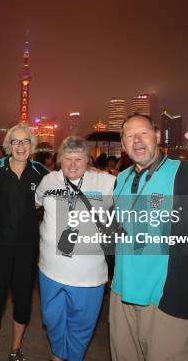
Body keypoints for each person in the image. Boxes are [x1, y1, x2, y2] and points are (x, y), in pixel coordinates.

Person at [110, 114, 188, 361]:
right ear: (123, 145)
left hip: (166, 299)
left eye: (143, 133)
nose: (137, 140)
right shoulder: (121, 179)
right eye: (129, 136)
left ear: (156, 136)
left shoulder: (181, 173)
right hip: (121, 294)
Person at [35, 136, 115, 361]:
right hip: (50, 270)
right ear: (60, 159)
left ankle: (64, 358)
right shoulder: (49, 180)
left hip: (89, 275)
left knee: (81, 326)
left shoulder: (105, 182)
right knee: (51, 319)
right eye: (67, 159)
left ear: (87, 160)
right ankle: (60, 354)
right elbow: (34, 203)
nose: (72, 164)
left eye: (78, 159)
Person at [0, 122, 48, 361]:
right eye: (16, 141)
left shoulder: (41, 172)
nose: (20, 146)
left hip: (28, 249)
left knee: (22, 300)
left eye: (25, 141)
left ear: (32, 145)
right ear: (9, 144)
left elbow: (64, 187)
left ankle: (15, 349)